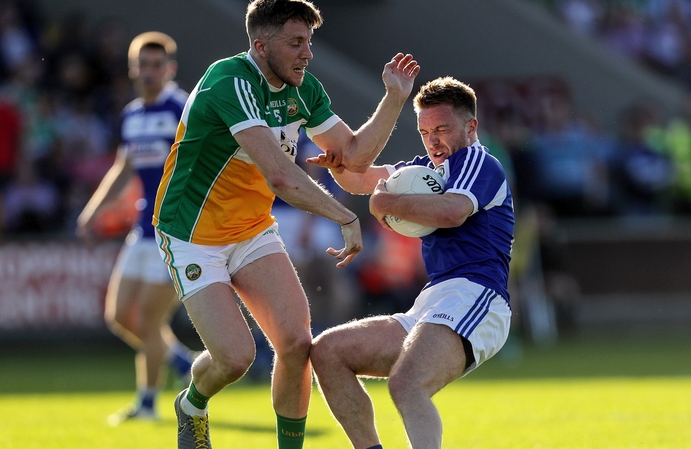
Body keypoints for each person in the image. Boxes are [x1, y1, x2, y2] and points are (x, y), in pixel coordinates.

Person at [150, 1, 419, 447]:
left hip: (252, 230)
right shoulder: (229, 80)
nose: (306, 53)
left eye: (309, 42)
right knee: (235, 359)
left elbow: (352, 156)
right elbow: (279, 175)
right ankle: (192, 403)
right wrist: (344, 215)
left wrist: (394, 99)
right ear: (261, 44)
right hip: (192, 235)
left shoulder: (303, 89)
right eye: (296, 42)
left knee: (297, 346)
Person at [308, 76, 515, 449]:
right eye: (424, 131)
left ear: (471, 127)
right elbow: (362, 181)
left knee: (406, 384)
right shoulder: (425, 169)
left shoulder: (477, 161)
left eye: (441, 129)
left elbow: (452, 211)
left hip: (477, 296)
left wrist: (385, 204)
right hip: (433, 302)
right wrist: (339, 165)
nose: (432, 140)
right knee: (327, 351)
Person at [76, 31, 197, 425]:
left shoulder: (181, 108)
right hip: (141, 229)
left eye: (156, 65)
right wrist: (94, 209)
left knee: (147, 322)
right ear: (133, 69)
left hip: (175, 232)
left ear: (170, 69)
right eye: (142, 65)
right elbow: (123, 167)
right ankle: (179, 358)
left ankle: (147, 404)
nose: (148, 72)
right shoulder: (131, 115)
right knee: (119, 318)